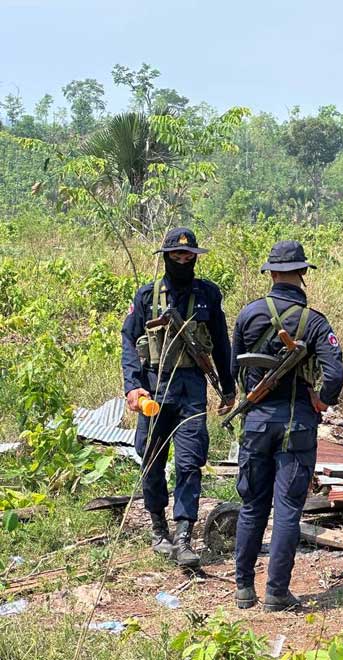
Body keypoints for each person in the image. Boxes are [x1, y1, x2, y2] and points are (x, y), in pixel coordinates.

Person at [231, 240, 343, 612]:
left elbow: (235, 368)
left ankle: (243, 589)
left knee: (252, 506)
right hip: (297, 424)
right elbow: (335, 372)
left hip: (257, 423)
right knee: (287, 510)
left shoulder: (248, 315)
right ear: (302, 274)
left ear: (271, 272)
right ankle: (276, 593)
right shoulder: (314, 321)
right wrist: (323, 400)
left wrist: (252, 394)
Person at [121, 227, 236, 568]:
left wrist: (228, 389)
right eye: (177, 256)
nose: (183, 261)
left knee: (190, 463)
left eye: (189, 256)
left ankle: (184, 534)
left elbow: (221, 341)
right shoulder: (146, 296)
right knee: (151, 459)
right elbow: (130, 342)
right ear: (167, 257)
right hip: (155, 389)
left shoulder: (208, 295)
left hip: (191, 390)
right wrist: (132, 386)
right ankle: (159, 529)